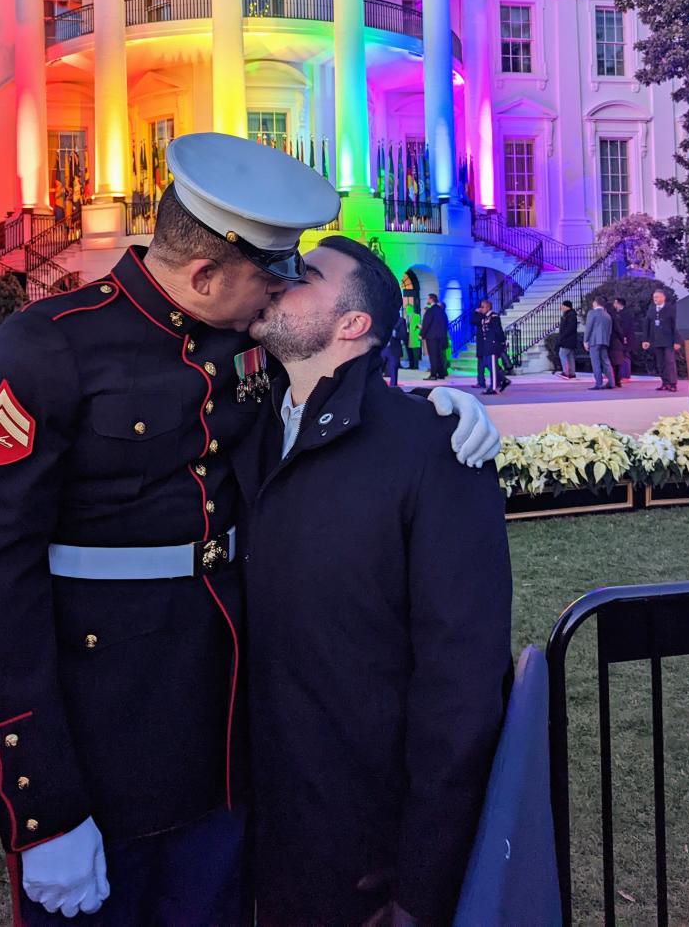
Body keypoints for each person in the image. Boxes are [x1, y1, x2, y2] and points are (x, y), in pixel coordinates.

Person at [0, 132, 503, 926]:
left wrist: (438, 412)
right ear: (205, 275)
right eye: (268, 274)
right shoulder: (45, 348)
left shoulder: (241, 338)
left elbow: (337, 375)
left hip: (229, 761)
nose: (276, 290)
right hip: (105, 758)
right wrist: (43, 813)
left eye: (288, 272)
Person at [238, 237, 513, 926]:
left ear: (353, 323)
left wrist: (423, 884)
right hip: (252, 834)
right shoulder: (246, 431)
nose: (278, 282)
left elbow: (461, 690)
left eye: (304, 277)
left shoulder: (434, 451)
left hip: (362, 855)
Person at [642, 288, 681, 391]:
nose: (655, 299)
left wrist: (677, 341)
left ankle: (672, 384)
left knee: (670, 362)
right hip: (656, 340)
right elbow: (647, 325)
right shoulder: (651, 309)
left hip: (668, 341)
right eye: (654, 297)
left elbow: (676, 325)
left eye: (657, 297)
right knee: (660, 363)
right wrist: (645, 340)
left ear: (663, 297)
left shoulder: (671, 309)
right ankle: (665, 382)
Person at [478, 300, 510, 395]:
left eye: (482, 307)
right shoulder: (485, 317)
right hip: (487, 346)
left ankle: (493, 387)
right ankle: (504, 380)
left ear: (488, 307)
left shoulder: (494, 317)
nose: (481, 309)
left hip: (493, 345)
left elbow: (498, 331)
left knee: (492, 367)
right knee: (488, 365)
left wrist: (502, 341)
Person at [584, 296, 615, 390]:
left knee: (595, 362)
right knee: (606, 362)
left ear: (596, 303)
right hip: (605, 341)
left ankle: (599, 383)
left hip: (594, 341)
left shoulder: (592, 313)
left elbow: (588, 327)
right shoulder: (607, 315)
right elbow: (609, 330)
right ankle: (611, 382)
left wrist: (585, 340)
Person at [421, 292, 449, 380]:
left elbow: (426, 323)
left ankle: (433, 375)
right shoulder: (441, 311)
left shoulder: (430, 311)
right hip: (441, 337)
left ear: (431, 299)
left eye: (428, 298)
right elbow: (446, 324)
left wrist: (422, 334)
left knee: (433, 356)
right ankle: (441, 373)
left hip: (432, 337)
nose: (427, 300)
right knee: (440, 355)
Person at [380, 310, 409, 386]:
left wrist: (396, 334)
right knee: (378, 370)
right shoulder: (381, 319)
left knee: (393, 371)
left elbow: (404, 335)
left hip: (394, 349)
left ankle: (393, 389)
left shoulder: (401, 321)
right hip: (382, 349)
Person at [557, 300, 578, 379]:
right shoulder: (569, 314)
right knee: (570, 355)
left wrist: (562, 336)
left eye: (562, 305)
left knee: (562, 353)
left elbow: (570, 328)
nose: (561, 307)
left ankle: (566, 372)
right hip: (570, 339)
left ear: (566, 306)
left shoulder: (570, 315)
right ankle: (572, 373)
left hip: (567, 339)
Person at [405, 299, 422, 370]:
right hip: (409, 337)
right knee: (410, 352)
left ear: (411, 309)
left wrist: (418, 333)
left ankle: (416, 366)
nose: (406, 310)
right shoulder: (407, 317)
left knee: (415, 353)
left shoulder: (417, 316)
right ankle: (411, 365)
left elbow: (419, 326)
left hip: (415, 337)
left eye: (407, 309)